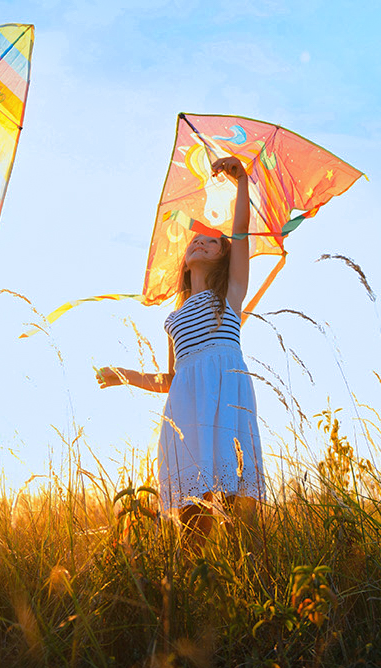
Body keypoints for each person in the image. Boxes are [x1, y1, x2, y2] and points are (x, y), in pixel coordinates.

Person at [96, 156, 265, 546]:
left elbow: (240, 232)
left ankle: (256, 579)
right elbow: (170, 379)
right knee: (193, 512)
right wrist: (124, 375)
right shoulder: (174, 318)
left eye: (211, 241)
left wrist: (241, 182)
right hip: (187, 409)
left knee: (240, 505)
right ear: (185, 263)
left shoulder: (230, 294)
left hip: (228, 399)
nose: (201, 241)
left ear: (222, 256)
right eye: (195, 240)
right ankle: (195, 588)